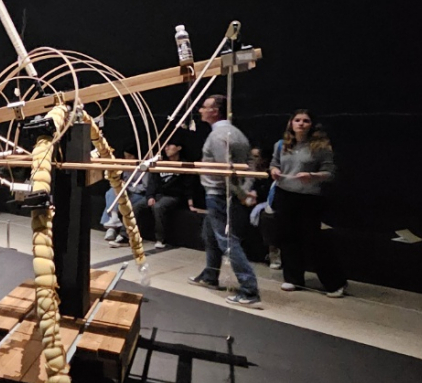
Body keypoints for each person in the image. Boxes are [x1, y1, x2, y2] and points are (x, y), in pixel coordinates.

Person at [188, 94, 261, 306]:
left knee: (227, 241)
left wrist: (241, 194)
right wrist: (246, 190)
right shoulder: (236, 133)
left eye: (204, 107)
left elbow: (225, 170)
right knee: (209, 235)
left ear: (215, 111)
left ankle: (249, 289)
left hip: (218, 194)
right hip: (223, 194)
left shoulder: (218, 136)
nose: (200, 110)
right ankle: (210, 276)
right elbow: (250, 164)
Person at [270, 109, 346, 296]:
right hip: (285, 194)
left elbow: (330, 173)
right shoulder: (281, 145)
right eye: (297, 120)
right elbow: (274, 163)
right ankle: (293, 278)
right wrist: (273, 170)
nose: (301, 124)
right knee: (287, 239)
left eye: (305, 120)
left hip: (309, 198)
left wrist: (312, 175)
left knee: (313, 241)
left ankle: (335, 282)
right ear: (291, 123)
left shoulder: (320, 147)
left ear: (312, 124)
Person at [146, 139, 190, 249]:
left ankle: (160, 239)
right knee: (136, 206)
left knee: (158, 207)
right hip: (158, 195)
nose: (166, 148)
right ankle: (125, 235)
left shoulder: (184, 164)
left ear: (179, 148)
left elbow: (188, 186)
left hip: (172, 196)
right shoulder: (161, 163)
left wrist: (191, 203)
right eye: (165, 146)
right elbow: (152, 182)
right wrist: (150, 196)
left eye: (170, 145)